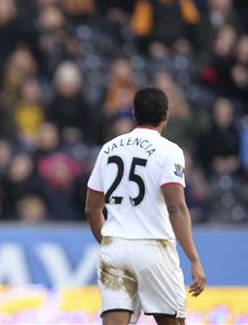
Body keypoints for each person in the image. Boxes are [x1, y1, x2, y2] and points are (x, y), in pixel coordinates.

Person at [85, 87, 206, 325]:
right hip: (154, 247)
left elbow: (92, 210)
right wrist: (193, 258)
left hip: (115, 247)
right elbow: (176, 208)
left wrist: (111, 243)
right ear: (166, 116)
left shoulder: (109, 148)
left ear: (133, 114)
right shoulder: (169, 151)